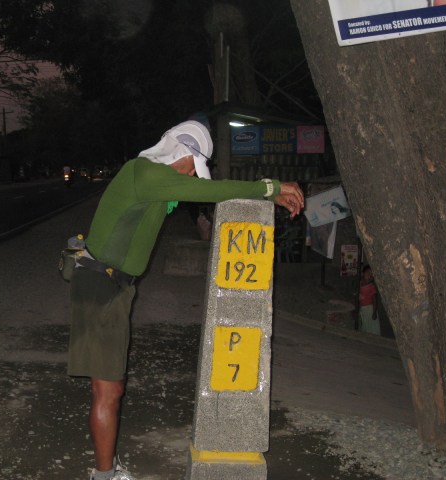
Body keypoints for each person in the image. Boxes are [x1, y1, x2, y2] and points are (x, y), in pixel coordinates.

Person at [67, 119, 304, 480]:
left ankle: (107, 470)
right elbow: (211, 191)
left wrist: (255, 199)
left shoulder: (157, 184)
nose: (194, 175)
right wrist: (270, 188)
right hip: (101, 287)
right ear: (182, 152)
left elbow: (201, 194)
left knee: (112, 386)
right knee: (108, 390)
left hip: (114, 287)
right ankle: (104, 476)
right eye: (194, 166)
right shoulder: (142, 173)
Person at [358, 265, 379, 335]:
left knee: (371, 327)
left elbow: (374, 300)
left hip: (370, 310)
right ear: (363, 273)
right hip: (362, 309)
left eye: (372, 275)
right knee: (364, 326)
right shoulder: (359, 284)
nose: (370, 276)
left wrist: (374, 312)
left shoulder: (371, 287)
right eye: (368, 273)